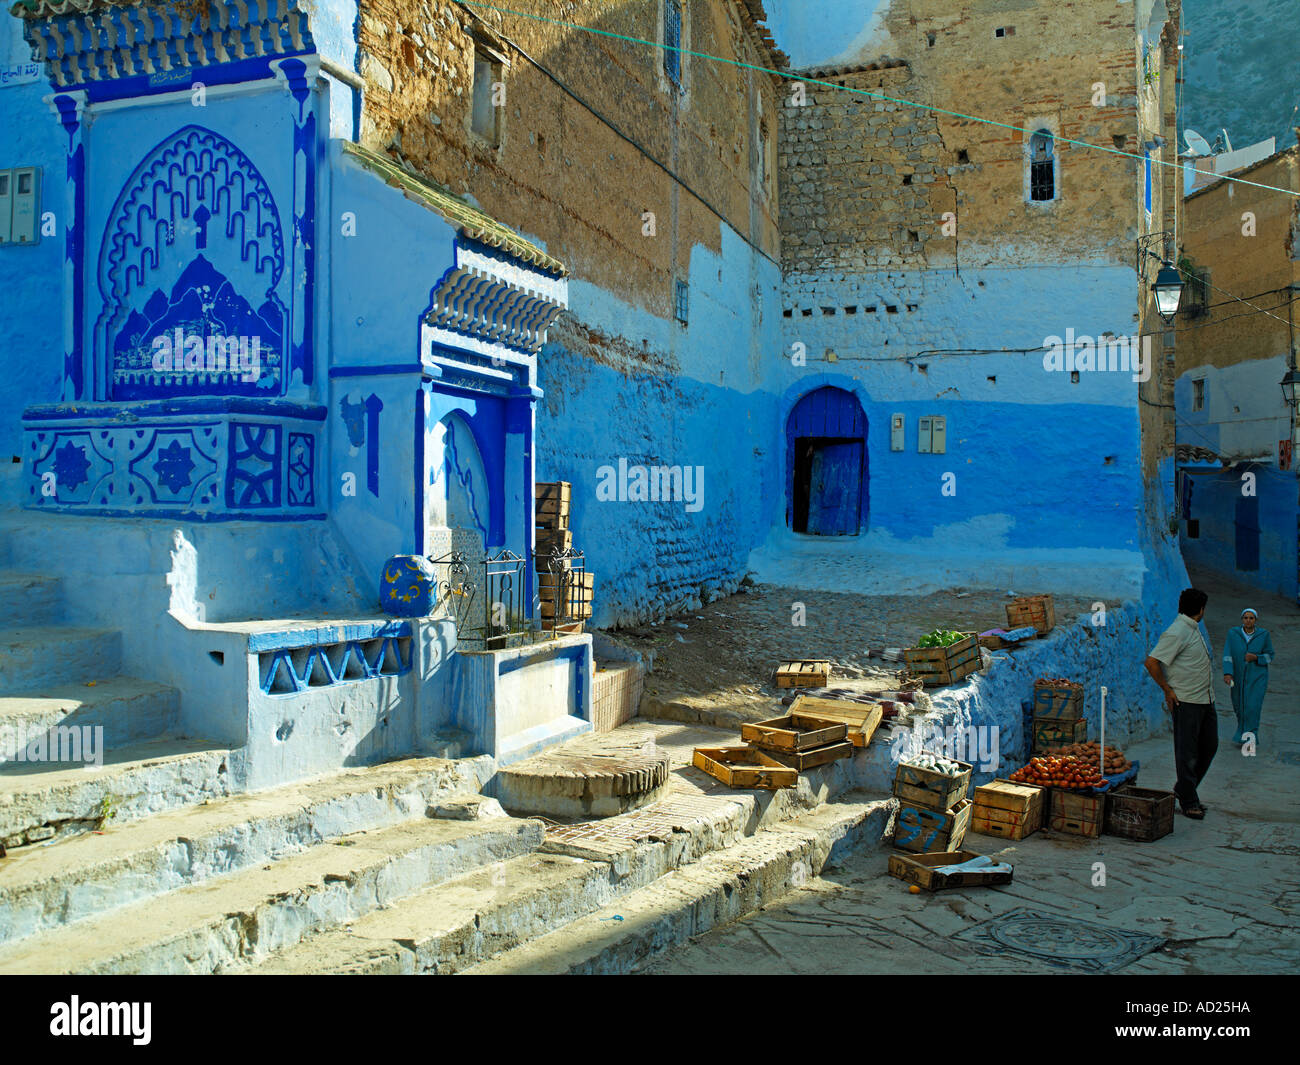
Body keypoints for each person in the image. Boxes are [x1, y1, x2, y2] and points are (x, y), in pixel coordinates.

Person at [1144, 588, 1217, 819]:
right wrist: (1167, 689)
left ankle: (1184, 789)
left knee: (1209, 745)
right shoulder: (1177, 632)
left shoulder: (1192, 628)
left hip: (1205, 699)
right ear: (1201, 610)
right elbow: (1151, 662)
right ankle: (1188, 800)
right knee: (1187, 752)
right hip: (1186, 701)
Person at [1222, 608, 1275, 745]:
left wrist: (1256, 657)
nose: (1248, 620)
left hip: (1257, 678)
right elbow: (1227, 654)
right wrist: (1228, 673)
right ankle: (1241, 734)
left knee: (1252, 707)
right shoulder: (1233, 634)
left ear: (1255, 620)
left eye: (1251, 618)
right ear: (1242, 619)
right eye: (1246, 618)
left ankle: (1250, 738)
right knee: (1239, 706)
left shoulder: (1263, 635)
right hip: (1238, 677)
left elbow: (1270, 655)